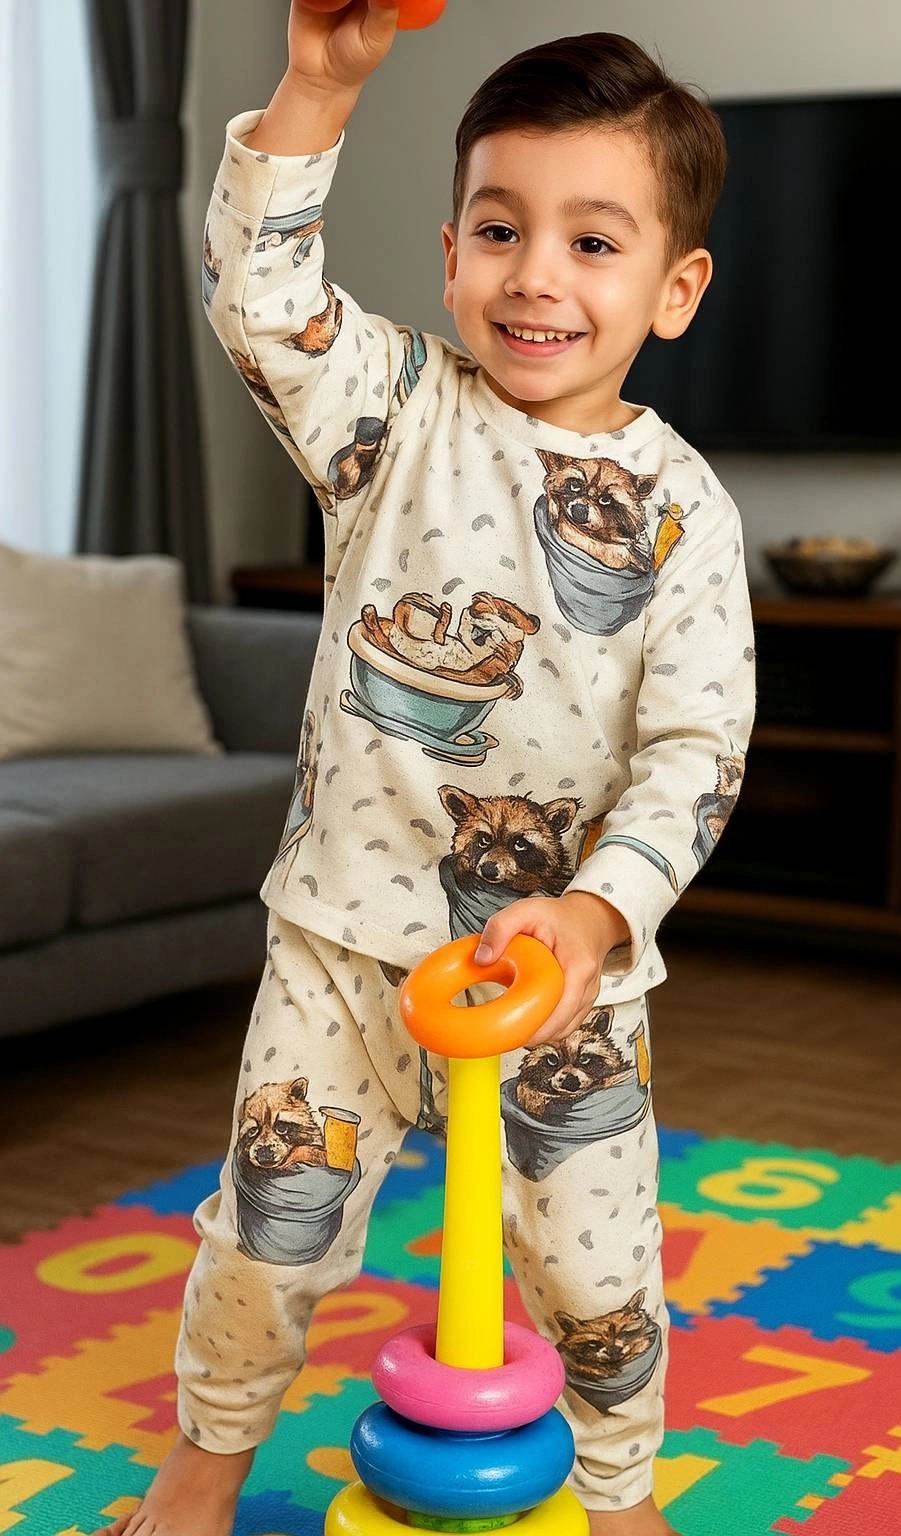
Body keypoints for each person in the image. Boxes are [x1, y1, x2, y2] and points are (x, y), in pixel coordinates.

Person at [96, 6, 755, 1534]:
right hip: (343, 941)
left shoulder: (684, 513)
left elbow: (696, 754)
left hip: (558, 981)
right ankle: (201, 1470)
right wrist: (317, 85)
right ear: (452, 253)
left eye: (595, 243)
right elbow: (260, 296)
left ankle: (621, 1501)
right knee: (266, 1237)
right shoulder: (388, 412)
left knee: (595, 1274)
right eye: (501, 230)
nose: (536, 275)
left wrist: (594, 919)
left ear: (675, 289)